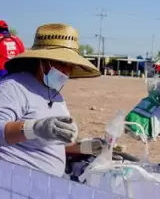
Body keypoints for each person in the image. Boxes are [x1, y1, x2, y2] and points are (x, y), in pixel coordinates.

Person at [0, 23, 104, 177]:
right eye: (61, 63)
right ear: (42, 61)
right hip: (17, 181)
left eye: (70, 66)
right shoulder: (14, 87)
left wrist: (87, 147)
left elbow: (54, 144)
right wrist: (33, 128)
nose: (66, 71)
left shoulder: (56, 96)